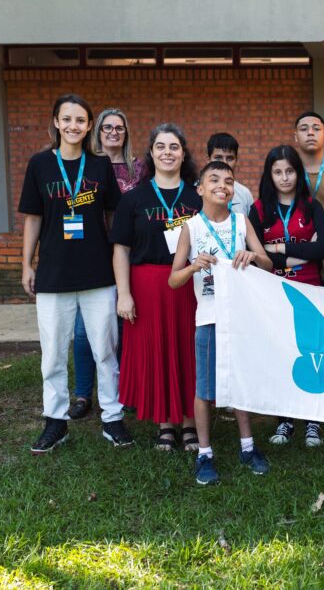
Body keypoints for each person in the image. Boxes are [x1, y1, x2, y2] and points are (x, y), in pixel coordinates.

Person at [19, 94, 132, 453]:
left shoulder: (99, 166)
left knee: (106, 350)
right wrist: (26, 263)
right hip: (54, 275)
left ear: (89, 126)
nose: (73, 126)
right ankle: (55, 421)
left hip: (98, 274)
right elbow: (33, 218)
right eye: (66, 119)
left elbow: (113, 216)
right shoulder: (40, 164)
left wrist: (118, 261)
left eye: (80, 120)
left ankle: (112, 418)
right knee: (53, 352)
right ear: (56, 122)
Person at [169, 160, 274, 485]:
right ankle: (204, 453)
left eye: (228, 181)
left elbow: (268, 264)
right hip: (209, 319)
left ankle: (248, 447)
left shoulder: (241, 222)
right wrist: (192, 267)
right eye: (214, 180)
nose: (222, 186)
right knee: (204, 388)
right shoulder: (190, 228)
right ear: (200, 188)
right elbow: (173, 280)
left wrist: (253, 257)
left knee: (239, 382)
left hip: (241, 319)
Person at [113, 124, 202, 451]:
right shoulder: (133, 199)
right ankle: (165, 422)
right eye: (161, 146)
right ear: (151, 154)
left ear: (183, 154)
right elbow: (121, 249)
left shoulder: (197, 197)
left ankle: (190, 422)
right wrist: (124, 293)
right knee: (158, 352)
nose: (167, 152)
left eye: (174, 147)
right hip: (147, 286)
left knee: (188, 351)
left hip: (189, 284)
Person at [248, 145, 324, 447]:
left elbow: (322, 248)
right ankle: (284, 419)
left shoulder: (311, 206)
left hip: (308, 289)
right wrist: (300, 253)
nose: (284, 177)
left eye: (290, 171)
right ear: (269, 175)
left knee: (311, 351)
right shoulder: (258, 210)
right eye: (278, 172)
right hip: (273, 291)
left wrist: (280, 249)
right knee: (280, 353)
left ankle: (312, 419)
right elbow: (257, 255)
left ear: (298, 173)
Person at [68, 107, 145, 420]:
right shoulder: (84, 167)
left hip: (130, 255)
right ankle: (83, 393)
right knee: (84, 330)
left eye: (120, 128)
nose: (114, 133)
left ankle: (125, 390)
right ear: (97, 131)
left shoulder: (139, 169)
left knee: (126, 327)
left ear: (126, 133)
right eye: (107, 127)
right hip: (93, 256)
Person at [206, 132, 254, 215]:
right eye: (218, 157)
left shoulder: (244, 194)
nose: (224, 163)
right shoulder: (194, 191)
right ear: (208, 160)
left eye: (230, 158)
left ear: (236, 160)